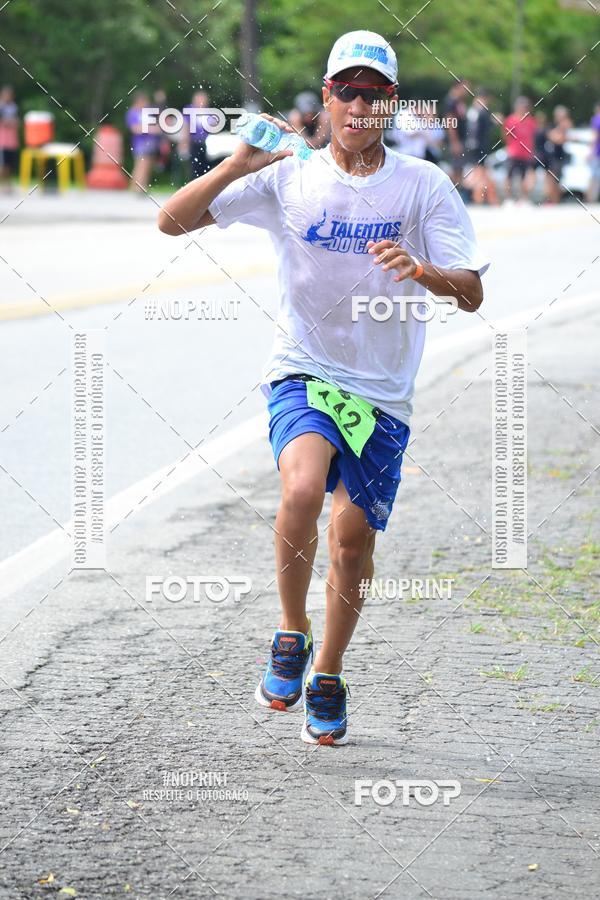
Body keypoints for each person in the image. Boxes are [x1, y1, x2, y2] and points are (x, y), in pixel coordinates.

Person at [158, 30, 488, 746]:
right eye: (347, 90)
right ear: (328, 95)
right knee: (302, 491)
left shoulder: (422, 185)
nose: (359, 106)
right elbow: (170, 221)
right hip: (304, 370)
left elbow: (472, 293)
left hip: (382, 395)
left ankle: (330, 672)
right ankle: (291, 630)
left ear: (391, 104)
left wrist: (423, 271)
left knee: (349, 542)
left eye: (375, 94)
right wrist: (236, 165)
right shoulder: (288, 175)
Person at [464, 87, 499, 205]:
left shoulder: (472, 110)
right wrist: (494, 121)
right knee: (480, 175)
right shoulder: (481, 111)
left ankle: (486, 199)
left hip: (472, 146)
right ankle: (479, 199)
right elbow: (485, 127)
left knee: (481, 174)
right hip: (479, 147)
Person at [503, 96, 538, 202]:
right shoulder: (511, 120)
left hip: (526, 154)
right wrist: (509, 148)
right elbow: (506, 136)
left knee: (524, 177)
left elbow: (533, 137)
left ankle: (524, 199)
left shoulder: (531, 121)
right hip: (514, 153)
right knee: (509, 176)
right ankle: (508, 199)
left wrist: (532, 151)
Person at [125, 91, 161, 192]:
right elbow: (135, 128)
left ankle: (143, 186)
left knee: (147, 165)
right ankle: (135, 187)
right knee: (140, 165)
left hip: (150, 142)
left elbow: (156, 124)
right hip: (139, 143)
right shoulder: (132, 113)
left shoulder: (147, 113)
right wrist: (149, 129)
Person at [443, 80, 469, 190]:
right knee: (455, 169)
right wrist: (454, 142)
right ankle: (453, 192)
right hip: (455, 141)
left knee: (460, 168)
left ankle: (458, 192)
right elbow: (449, 122)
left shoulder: (459, 102)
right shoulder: (451, 102)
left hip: (460, 140)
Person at [544, 105, 572, 204]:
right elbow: (555, 138)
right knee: (551, 179)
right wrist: (561, 127)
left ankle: (555, 201)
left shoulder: (564, 127)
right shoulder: (551, 126)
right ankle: (550, 200)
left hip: (560, 157)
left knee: (557, 180)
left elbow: (563, 139)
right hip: (551, 157)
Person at [182, 90, 212, 179]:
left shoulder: (207, 111)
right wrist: (184, 143)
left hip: (205, 142)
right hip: (193, 142)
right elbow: (186, 127)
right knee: (194, 166)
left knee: (204, 165)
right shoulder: (190, 110)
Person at [0, 85, 19, 192]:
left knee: (9, 165)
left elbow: (16, 121)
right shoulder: (1, 107)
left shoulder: (13, 107)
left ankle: (7, 185)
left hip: (11, 141)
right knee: (2, 164)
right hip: (2, 140)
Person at [586, 102, 600, 204]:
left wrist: (590, 152)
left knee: (594, 176)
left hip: (597, 152)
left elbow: (595, 136)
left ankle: (590, 199)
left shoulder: (596, 119)